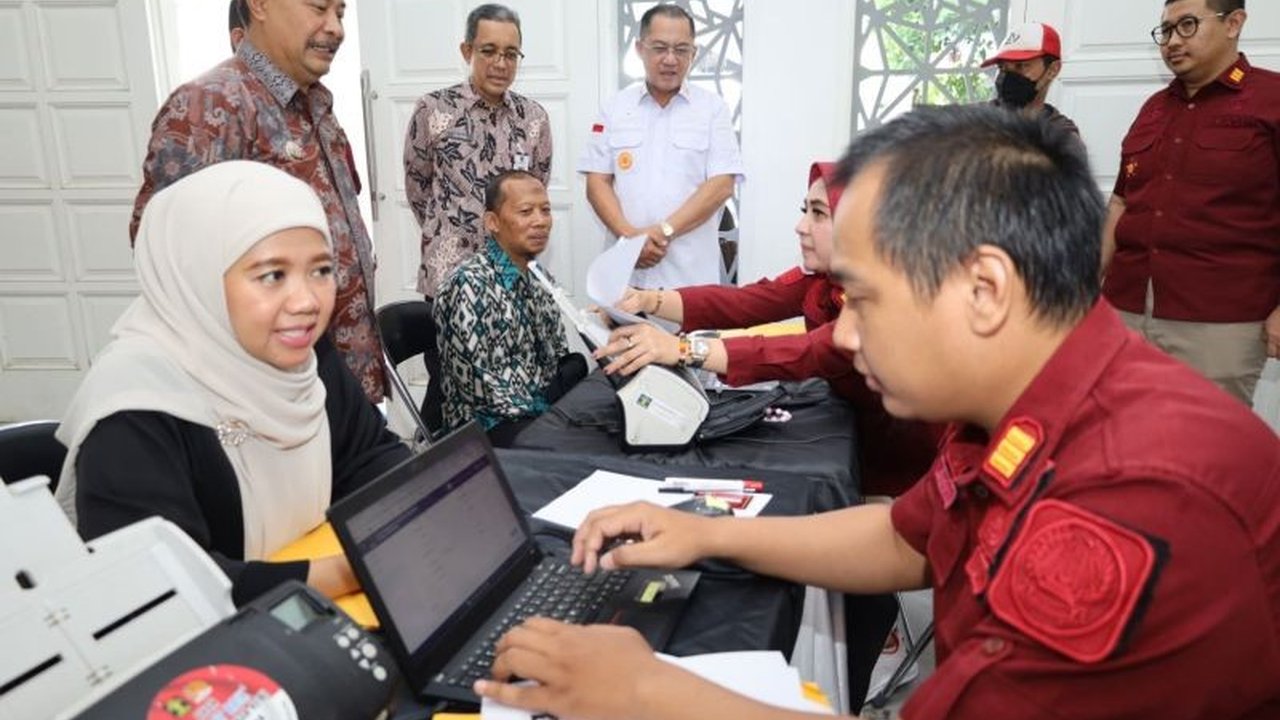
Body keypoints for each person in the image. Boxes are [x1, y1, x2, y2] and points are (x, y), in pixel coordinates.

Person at [475, 106, 1280, 719]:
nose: (845, 333)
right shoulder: (1035, 402)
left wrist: (652, 690)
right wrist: (708, 532)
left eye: (862, 298)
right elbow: (911, 536)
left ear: (985, 289)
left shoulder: (1134, 497)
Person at [56, 162, 411, 607]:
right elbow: (161, 588)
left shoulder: (304, 355)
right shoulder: (134, 407)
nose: (307, 302)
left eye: (320, 270)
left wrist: (419, 513)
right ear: (197, 274)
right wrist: (349, 569)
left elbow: (371, 456)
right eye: (272, 276)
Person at [600, 162, 941, 497]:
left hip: (905, 460)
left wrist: (682, 350)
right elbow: (748, 301)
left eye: (819, 214)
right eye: (804, 210)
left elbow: (808, 352)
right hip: (855, 432)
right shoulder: (824, 281)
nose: (801, 226)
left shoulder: (884, 296)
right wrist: (646, 299)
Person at [131, 0, 385, 405]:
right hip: (268, 398)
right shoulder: (212, 105)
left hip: (343, 388)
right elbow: (173, 266)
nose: (335, 27)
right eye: (319, 7)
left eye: (340, 13)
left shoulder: (317, 106)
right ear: (260, 5)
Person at [1103, 0, 1279, 405]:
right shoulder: (1153, 109)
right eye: (1165, 31)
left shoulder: (1272, 100)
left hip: (1218, 324)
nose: (1171, 42)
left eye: (1186, 25)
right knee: (1120, 438)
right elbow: (1120, 205)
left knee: (1206, 451)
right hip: (1124, 312)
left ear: (1234, 23)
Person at [578, 3, 744, 289]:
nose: (670, 59)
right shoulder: (614, 108)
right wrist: (630, 238)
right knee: (623, 333)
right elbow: (597, 182)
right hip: (625, 273)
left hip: (689, 280)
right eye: (659, 48)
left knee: (685, 336)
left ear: (694, 52)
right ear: (640, 49)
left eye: (681, 50)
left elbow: (721, 185)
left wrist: (663, 231)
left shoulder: (712, 109)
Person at [404, 3, 553, 299]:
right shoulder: (433, 110)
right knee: (447, 347)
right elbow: (418, 188)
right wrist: (453, 229)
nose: (500, 63)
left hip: (513, 272)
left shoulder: (534, 118)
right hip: (449, 275)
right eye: (488, 50)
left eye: (511, 54)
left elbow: (537, 189)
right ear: (467, 51)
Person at [434, 171, 582, 448]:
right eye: (526, 212)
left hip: (536, 412)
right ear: (493, 222)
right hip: (487, 425)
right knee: (580, 449)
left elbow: (556, 357)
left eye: (546, 210)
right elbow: (481, 390)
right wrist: (549, 412)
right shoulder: (468, 285)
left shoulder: (540, 278)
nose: (540, 221)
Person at [980, 21, 1080, 137]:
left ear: (1053, 70)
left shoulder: (1061, 134)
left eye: (1021, 66)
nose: (1007, 76)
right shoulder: (974, 118)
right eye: (1002, 67)